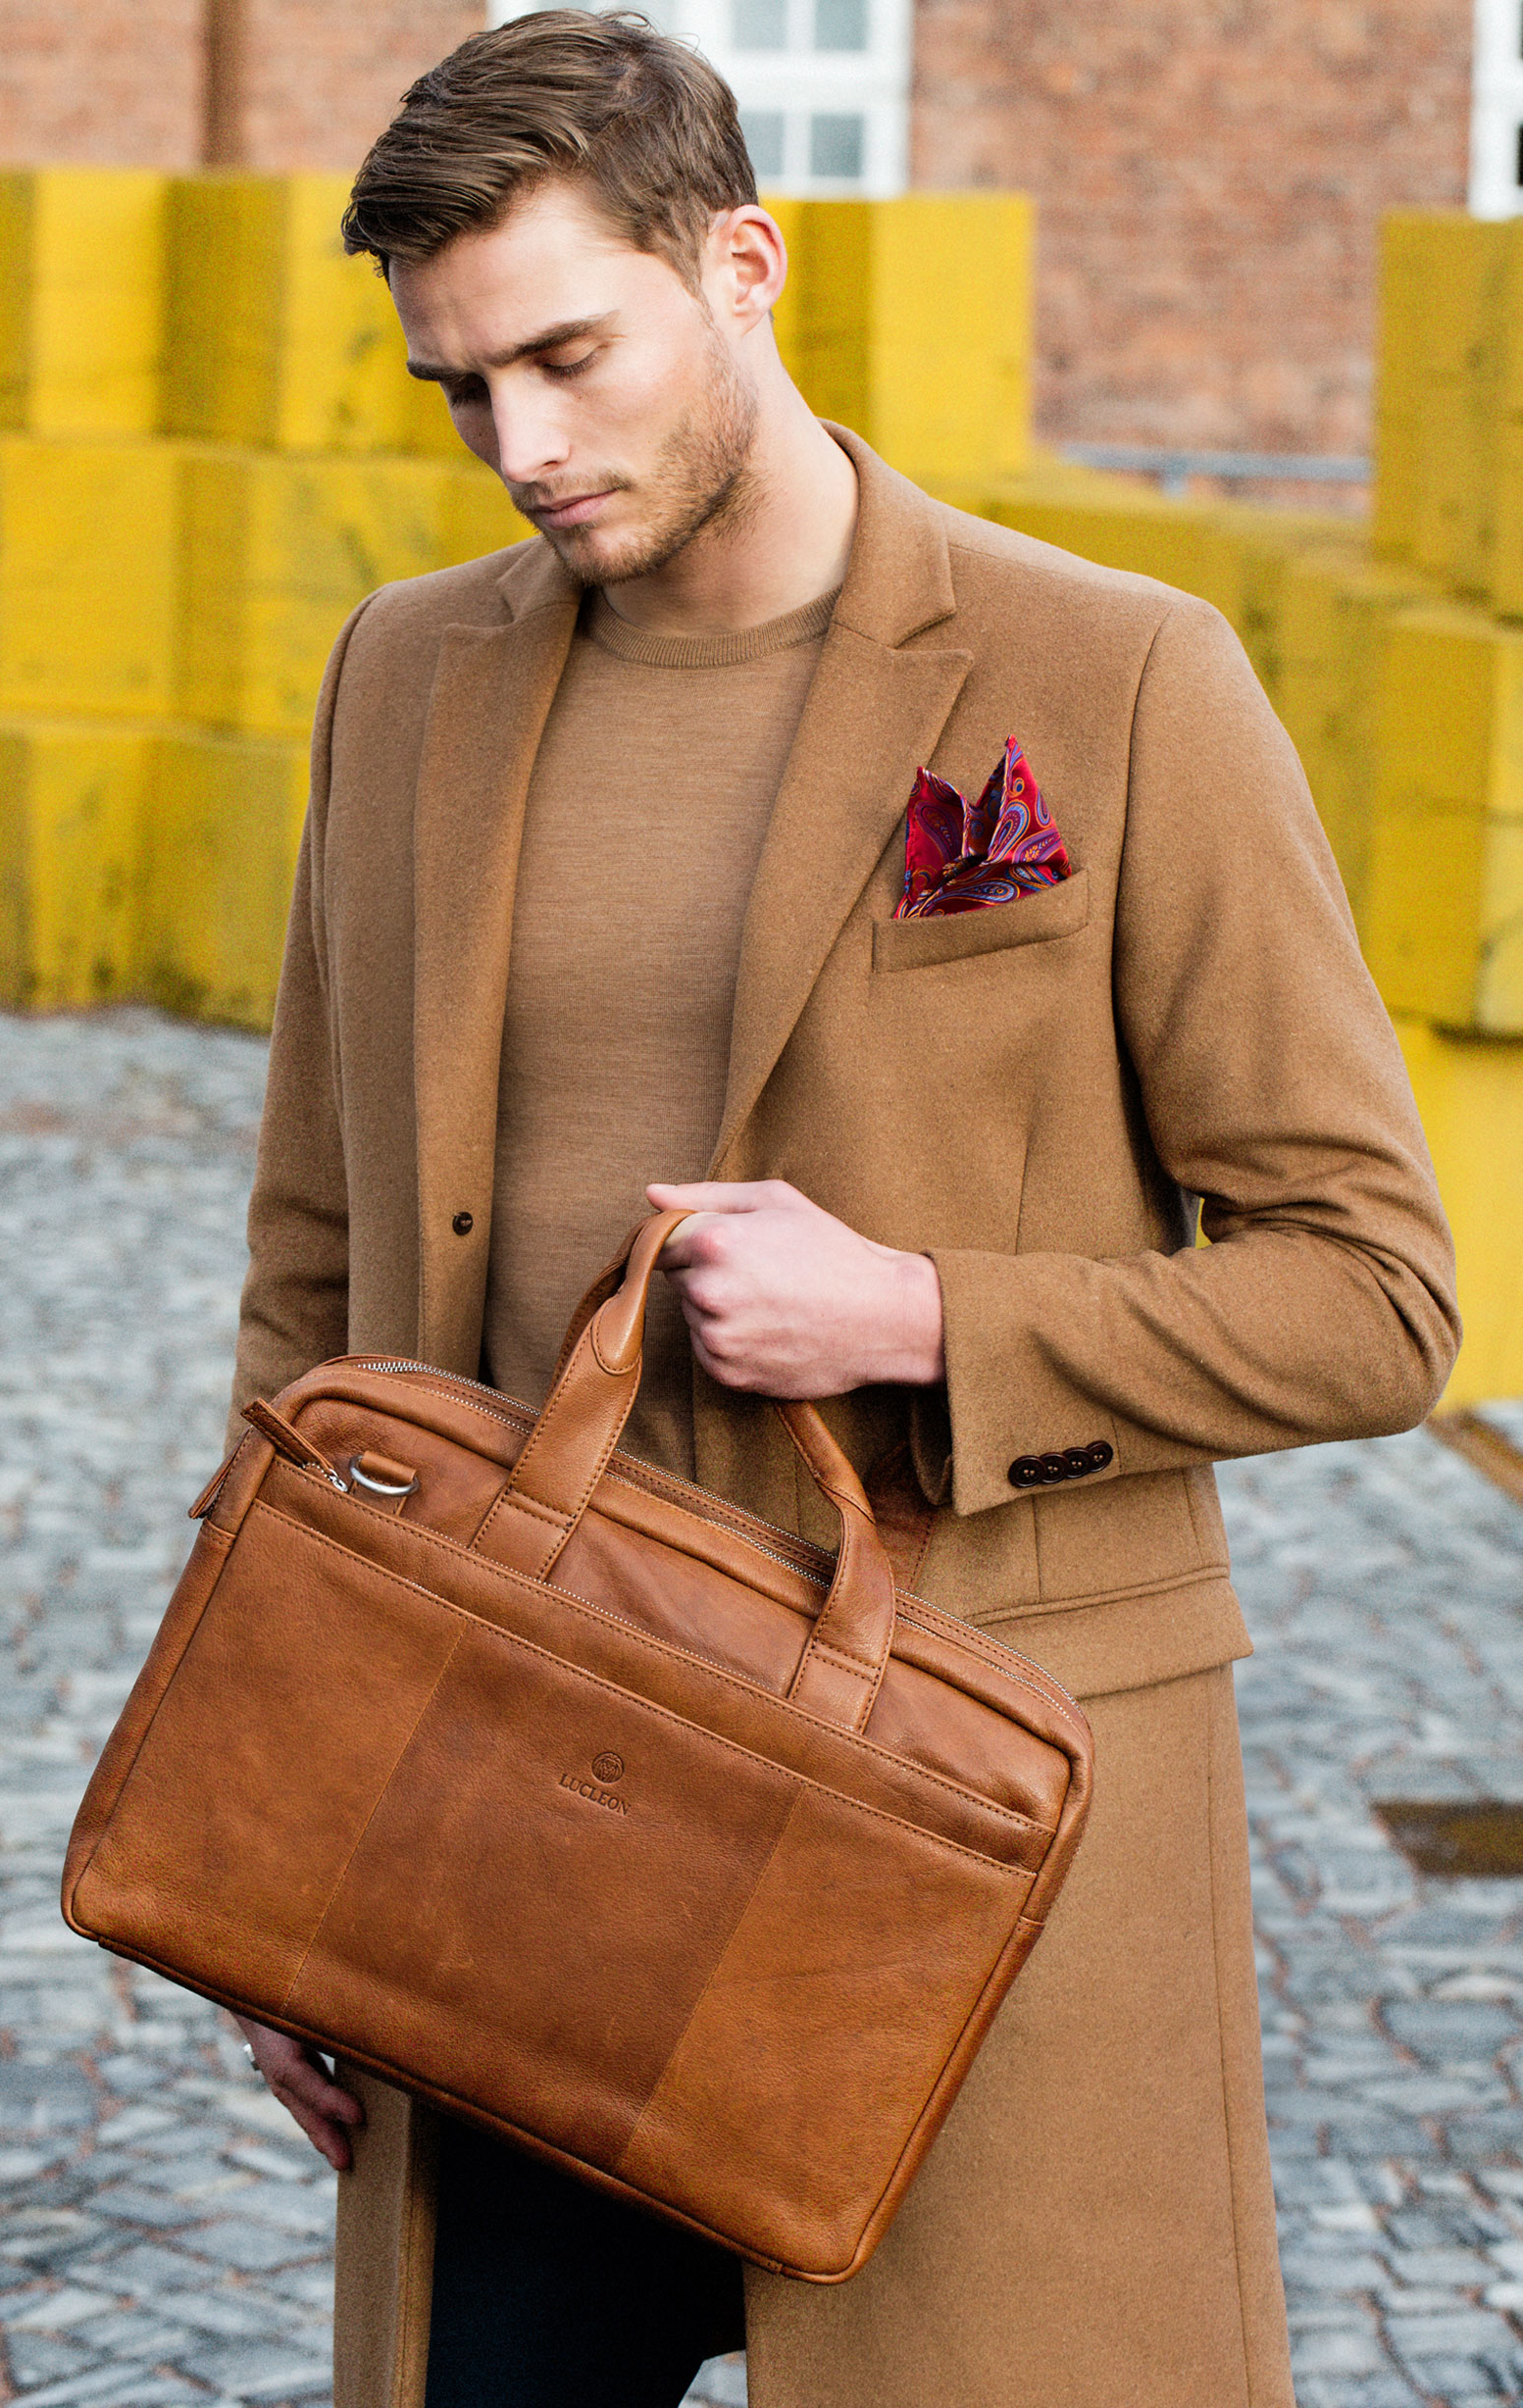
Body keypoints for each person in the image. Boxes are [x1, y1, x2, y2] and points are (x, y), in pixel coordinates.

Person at [223, 13, 1459, 2406]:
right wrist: (280, 1834)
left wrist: (919, 1315)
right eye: (460, 390)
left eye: (567, 357)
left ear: (744, 265)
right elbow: (309, 1280)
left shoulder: (1116, 678)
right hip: (503, 1840)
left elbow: (1374, 1295)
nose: (523, 445)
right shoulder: (402, 680)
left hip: (954, 1853)